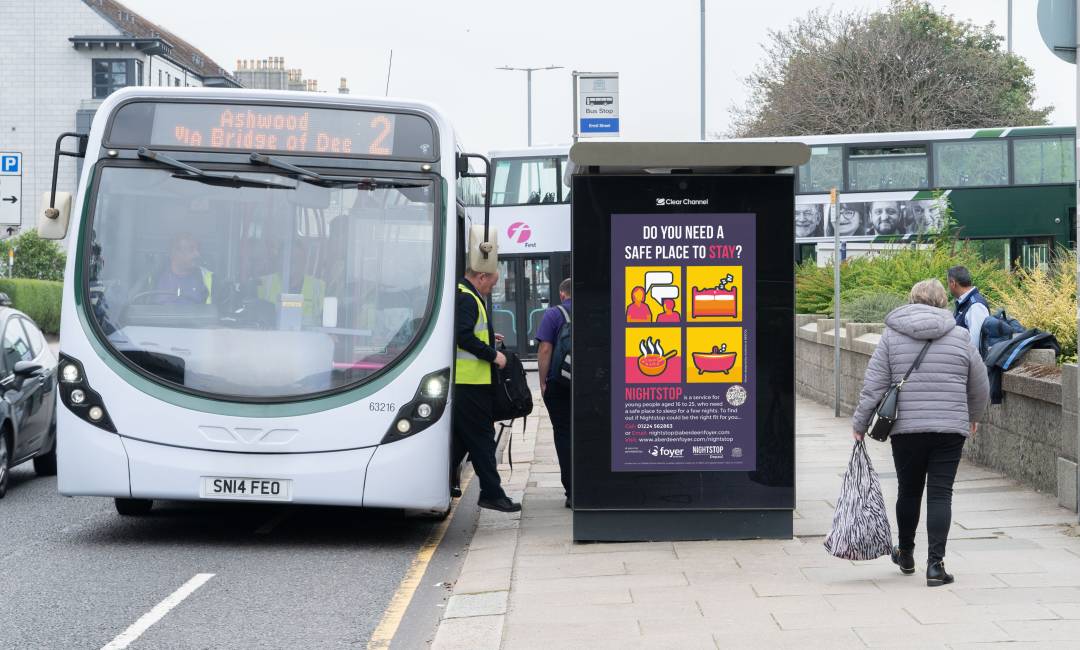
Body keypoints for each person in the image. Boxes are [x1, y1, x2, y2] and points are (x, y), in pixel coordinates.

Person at [852, 279, 989, 587]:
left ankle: (907, 553)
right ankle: (936, 566)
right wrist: (973, 416)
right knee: (941, 493)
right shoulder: (960, 336)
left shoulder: (891, 337)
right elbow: (980, 384)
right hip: (949, 428)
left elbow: (873, 385)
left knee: (909, 490)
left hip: (906, 428)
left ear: (911, 300)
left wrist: (860, 424)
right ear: (943, 302)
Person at [450, 267, 520, 513]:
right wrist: (494, 355)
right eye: (491, 284)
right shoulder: (467, 297)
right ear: (481, 277)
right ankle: (492, 494)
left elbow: (468, 333)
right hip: (470, 384)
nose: (492, 289)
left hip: (469, 383)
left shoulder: (464, 293)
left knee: (461, 442)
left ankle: (440, 483)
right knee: (482, 440)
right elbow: (463, 337)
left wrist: (490, 338)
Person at [536, 278, 572, 508]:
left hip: (559, 383)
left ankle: (572, 490)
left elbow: (545, 348)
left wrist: (543, 381)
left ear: (562, 294)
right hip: (592, 386)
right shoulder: (596, 306)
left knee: (564, 432)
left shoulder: (553, 314)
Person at [257, 242, 326, 325]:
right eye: (287, 258)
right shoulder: (262, 283)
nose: (292, 262)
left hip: (307, 337)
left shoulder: (318, 286)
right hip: (271, 337)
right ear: (279, 260)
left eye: (297, 258)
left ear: (304, 262)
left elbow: (326, 322)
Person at [150, 233, 212, 304]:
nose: (197, 254)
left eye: (197, 250)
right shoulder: (154, 278)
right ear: (175, 253)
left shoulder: (209, 279)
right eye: (191, 250)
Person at [947, 266, 990, 353]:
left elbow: (975, 344)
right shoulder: (965, 302)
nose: (948, 287)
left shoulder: (976, 306)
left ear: (953, 283)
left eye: (948, 283)